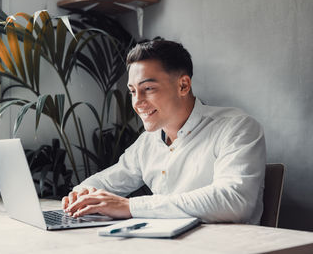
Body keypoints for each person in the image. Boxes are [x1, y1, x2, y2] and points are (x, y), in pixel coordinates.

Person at [62, 39, 266, 224]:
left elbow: (234, 201)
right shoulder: (148, 142)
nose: (137, 102)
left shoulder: (237, 128)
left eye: (148, 88)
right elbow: (104, 181)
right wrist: (80, 195)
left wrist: (129, 207)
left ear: (183, 85)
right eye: (133, 91)